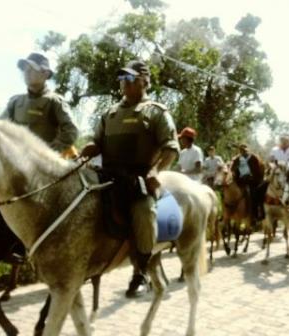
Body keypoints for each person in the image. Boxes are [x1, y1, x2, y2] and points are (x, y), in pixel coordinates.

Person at [80, 60, 179, 298]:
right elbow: (98, 142)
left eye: (130, 78)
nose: (124, 83)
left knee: (144, 213)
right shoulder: (110, 113)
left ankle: (141, 270)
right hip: (107, 177)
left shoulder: (156, 112)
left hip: (139, 181)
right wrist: (89, 148)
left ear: (144, 81)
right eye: (122, 78)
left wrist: (155, 170)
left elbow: (171, 148)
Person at [0, 52, 78, 155]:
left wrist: (49, 153)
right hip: (15, 162)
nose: (27, 72)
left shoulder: (55, 101)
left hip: (43, 167)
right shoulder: (15, 101)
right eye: (25, 68)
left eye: (32, 68)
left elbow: (71, 130)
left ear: (45, 73)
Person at [231, 144, 265, 221]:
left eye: (245, 151)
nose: (243, 152)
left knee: (254, 196)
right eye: (241, 151)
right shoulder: (237, 159)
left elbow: (260, 170)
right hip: (240, 181)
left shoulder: (254, 158)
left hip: (252, 181)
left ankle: (255, 214)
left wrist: (255, 179)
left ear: (248, 151)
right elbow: (233, 170)